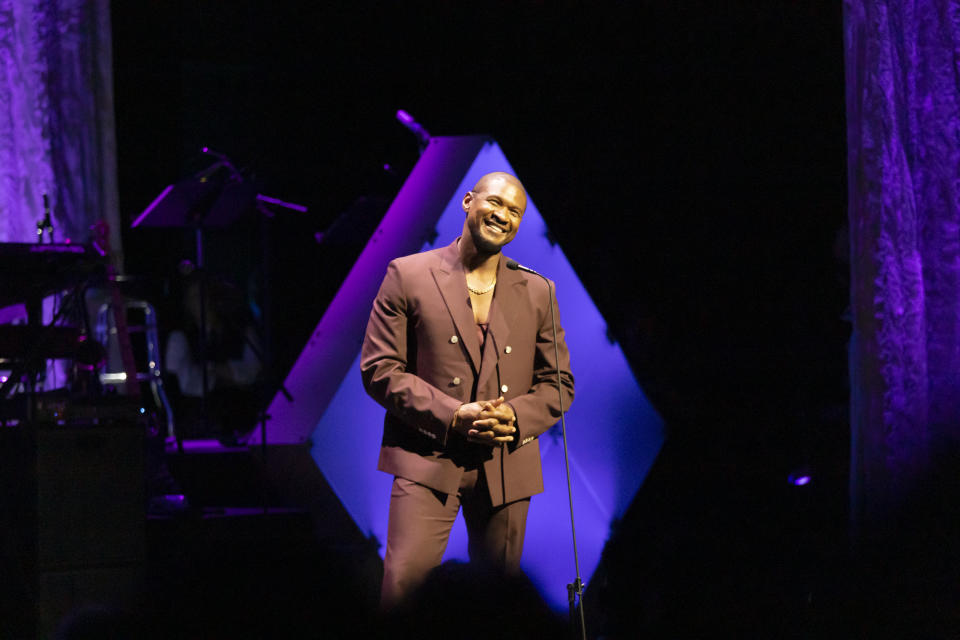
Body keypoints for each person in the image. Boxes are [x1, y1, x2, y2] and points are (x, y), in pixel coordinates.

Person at [361, 171, 575, 609]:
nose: (502, 215)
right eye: (495, 202)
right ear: (467, 201)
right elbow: (380, 368)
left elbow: (558, 384)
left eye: (515, 212)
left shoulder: (539, 290)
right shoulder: (408, 274)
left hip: (507, 462)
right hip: (427, 457)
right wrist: (452, 414)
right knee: (403, 589)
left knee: (500, 607)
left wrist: (513, 417)